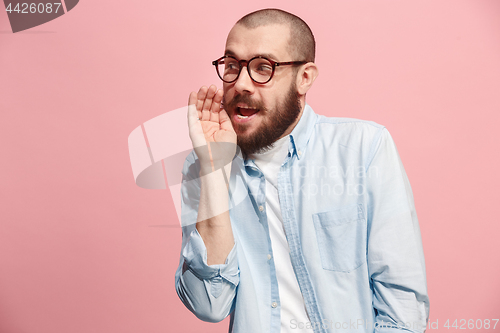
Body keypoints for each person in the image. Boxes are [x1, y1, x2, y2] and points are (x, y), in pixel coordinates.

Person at [175, 8, 429, 333]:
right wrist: (213, 171)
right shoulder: (202, 166)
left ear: (304, 77)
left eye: (262, 68)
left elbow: (403, 305)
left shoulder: (364, 148)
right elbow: (209, 305)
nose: (240, 84)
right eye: (232, 66)